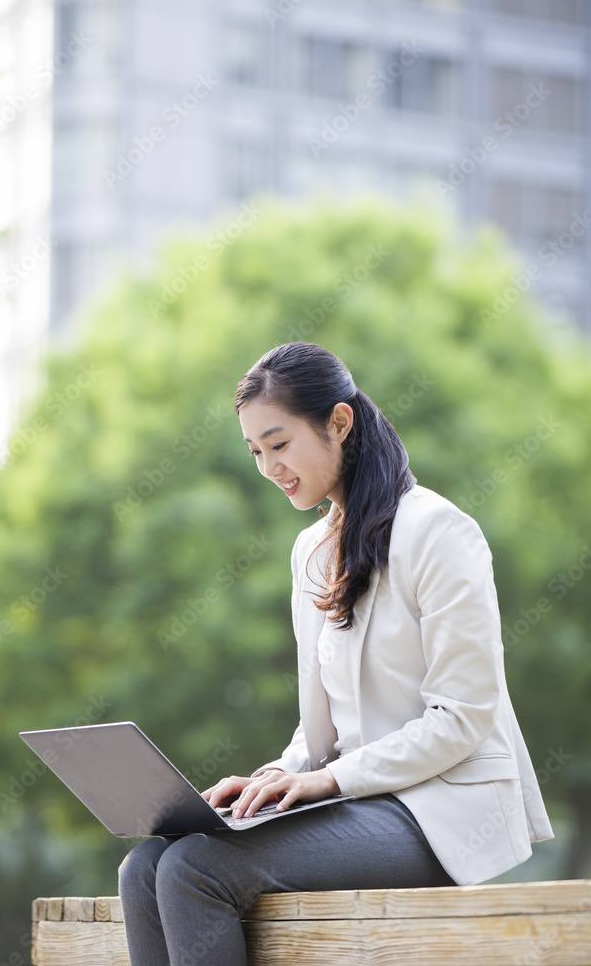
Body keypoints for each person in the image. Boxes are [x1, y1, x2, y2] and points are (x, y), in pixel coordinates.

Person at [118, 341, 553, 966]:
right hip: (359, 801)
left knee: (195, 868)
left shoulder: (438, 531)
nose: (269, 467)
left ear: (339, 423)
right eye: (256, 452)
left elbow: (463, 717)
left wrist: (328, 779)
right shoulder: (311, 551)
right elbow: (322, 728)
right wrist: (274, 778)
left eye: (280, 443)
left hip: (440, 809)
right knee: (145, 866)